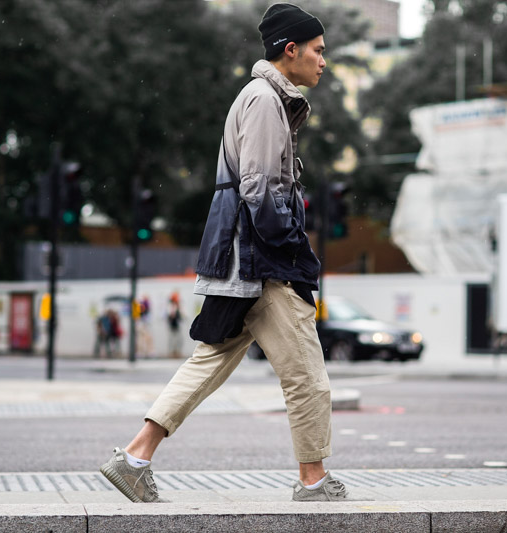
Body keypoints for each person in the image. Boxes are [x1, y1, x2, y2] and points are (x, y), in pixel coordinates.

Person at [100, 3, 347, 503]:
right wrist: (291, 247)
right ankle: (314, 480)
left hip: (241, 259)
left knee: (207, 362)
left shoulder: (267, 98)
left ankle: (134, 458)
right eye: (318, 51)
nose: (324, 61)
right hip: (261, 263)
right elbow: (259, 187)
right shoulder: (262, 100)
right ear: (290, 50)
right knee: (307, 376)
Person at [166, 291, 184, 358]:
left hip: (177, 325)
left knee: (178, 339)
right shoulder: (170, 306)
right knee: (172, 339)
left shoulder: (177, 306)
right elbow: (169, 316)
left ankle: (177, 352)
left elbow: (181, 315)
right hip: (172, 325)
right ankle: (172, 352)